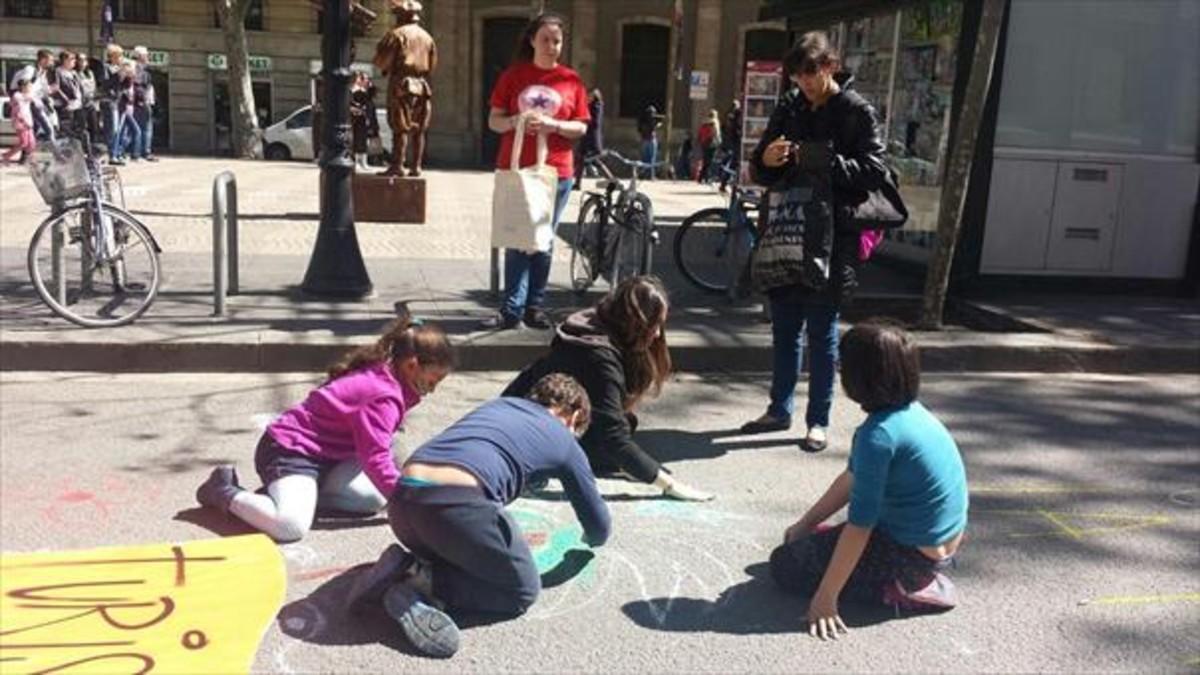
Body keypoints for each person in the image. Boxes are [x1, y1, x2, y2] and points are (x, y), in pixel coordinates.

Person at [346, 373, 610, 659]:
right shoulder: (564, 440)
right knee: (521, 590)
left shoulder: (499, 406)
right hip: (453, 508)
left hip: (403, 501)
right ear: (574, 415)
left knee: (468, 549)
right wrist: (590, 539)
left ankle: (409, 564)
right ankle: (417, 580)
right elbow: (598, 524)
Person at [768, 321, 968, 640]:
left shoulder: (879, 436)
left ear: (858, 377)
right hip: (939, 543)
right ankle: (910, 575)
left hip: (910, 556)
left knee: (784, 565)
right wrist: (805, 524)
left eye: (841, 365)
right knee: (801, 542)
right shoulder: (911, 413)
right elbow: (851, 478)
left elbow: (860, 526)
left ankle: (901, 588)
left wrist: (826, 597)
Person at [741, 31, 888, 453]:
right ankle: (778, 408)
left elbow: (873, 171)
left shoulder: (855, 110)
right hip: (788, 229)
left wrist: (819, 157)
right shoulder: (790, 105)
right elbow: (763, 164)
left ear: (829, 66)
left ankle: (818, 421)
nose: (803, 84)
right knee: (785, 327)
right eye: (797, 76)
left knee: (822, 332)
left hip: (833, 236)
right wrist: (765, 160)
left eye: (810, 74)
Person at [194, 315, 454, 543]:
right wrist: (409, 506)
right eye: (433, 380)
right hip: (289, 451)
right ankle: (223, 490)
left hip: (331, 456)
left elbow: (382, 449)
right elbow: (375, 458)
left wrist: (405, 492)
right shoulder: (382, 395)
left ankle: (296, 494)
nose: (432, 389)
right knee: (290, 526)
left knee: (370, 500)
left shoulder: (390, 374)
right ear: (412, 365)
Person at [502, 276, 713, 501]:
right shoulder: (599, 358)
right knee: (615, 439)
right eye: (654, 325)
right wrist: (669, 485)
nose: (659, 334)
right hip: (524, 434)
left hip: (521, 421)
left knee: (625, 424)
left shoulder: (595, 324)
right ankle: (543, 465)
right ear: (635, 323)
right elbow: (612, 435)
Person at [480, 13, 589, 331]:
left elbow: (580, 126)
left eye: (557, 41)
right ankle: (512, 308)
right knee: (517, 237)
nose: (552, 46)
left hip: (556, 172)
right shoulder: (513, 76)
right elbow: (494, 121)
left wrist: (553, 124)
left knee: (542, 240)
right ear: (532, 41)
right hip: (518, 170)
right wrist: (518, 121)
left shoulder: (572, 80)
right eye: (545, 39)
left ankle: (535, 306)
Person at [373, 0, 437, 177]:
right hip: (422, 87)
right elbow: (432, 65)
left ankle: (397, 166)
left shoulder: (396, 34)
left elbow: (381, 61)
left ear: (400, 16)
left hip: (401, 85)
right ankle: (416, 167)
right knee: (419, 129)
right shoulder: (427, 37)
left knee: (399, 127)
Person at [130, 46, 158, 161]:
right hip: (141, 102)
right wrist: (142, 100)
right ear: (140, 56)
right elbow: (138, 86)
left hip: (143, 101)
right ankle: (142, 152)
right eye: (146, 55)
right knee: (144, 127)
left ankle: (141, 151)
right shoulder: (137, 69)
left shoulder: (143, 69)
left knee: (143, 127)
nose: (147, 57)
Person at [573, 87, 604, 188]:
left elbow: (596, 123)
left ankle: (612, 179)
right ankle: (577, 183)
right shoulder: (589, 106)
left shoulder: (597, 106)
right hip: (586, 137)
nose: (588, 97)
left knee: (595, 160)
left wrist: (586, 120)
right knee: (580, 159)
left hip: (592, 137)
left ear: (594, 97)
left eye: (590, 96)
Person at [99, 44, 125, 163]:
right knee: (111, 129)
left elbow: (123, 85)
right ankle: (107, 154)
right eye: (119, 56)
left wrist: (126, 77)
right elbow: (104, 82)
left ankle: (115, 153)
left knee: (117, 129)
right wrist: (117, 75)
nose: (121, 58)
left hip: (117, 100)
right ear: (113, 56)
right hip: (108, 100)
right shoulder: (106, 67)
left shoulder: (119, 68)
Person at [1, 80, 36, 165]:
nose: (30, 88)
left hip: (28, 121)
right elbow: (18, 111)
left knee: (31, 143)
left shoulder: (25, 95)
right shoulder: (17, 96)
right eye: (28, 86)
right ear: (23, 87)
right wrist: (24, 121)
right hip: (21, 123)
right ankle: (6, 156)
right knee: (24, 143)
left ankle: (32, 160)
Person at [349, 71, 378, 171]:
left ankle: (364, 162)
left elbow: (374, 93)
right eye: (364, 79)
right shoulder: (355, 92)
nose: (367, 80)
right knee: (358, 140)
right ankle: (357, 162)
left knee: (365, 142)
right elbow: (352, 104)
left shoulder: (367, 92)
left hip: (366, 119)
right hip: (358, 120)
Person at [50, 51, 84, 135]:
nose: (74, 61)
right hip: (65, 105)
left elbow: (79, 87)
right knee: (66, 128)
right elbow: (56, 88)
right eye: (72, 59)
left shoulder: (73, 73)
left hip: (77, 105)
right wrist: (66, 101)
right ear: (65, 60)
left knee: (77, 127)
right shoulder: (57, 71)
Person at [75, 52, 101, 143]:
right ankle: (83, 147)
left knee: (94, 126)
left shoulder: (90, 73)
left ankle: (93, 148)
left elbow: (94, 87)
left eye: (84, 60)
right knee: (82, 128)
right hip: (81, 105)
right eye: (80, 60)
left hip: (91, 103)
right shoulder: (75, 73)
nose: (82, 62)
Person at [718, 99, 741, 192]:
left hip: (731, 142)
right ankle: (724, 183)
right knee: (733, 163)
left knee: (732, 162)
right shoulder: (734, 116)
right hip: (735, 143)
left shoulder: (728, 116)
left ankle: (724, 182)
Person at [636, 104, 664, 179]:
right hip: (651, 140)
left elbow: (639, 129)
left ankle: (643, 174)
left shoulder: (642, 120)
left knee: (644, 159)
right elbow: (653, 127)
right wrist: (659, 124)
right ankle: (651, 175)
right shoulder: (651, 119)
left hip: (644, 140)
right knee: (652, 159)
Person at [697, 108, 722, 183]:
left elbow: (700, 133)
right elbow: (715, 133)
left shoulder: (704, 123)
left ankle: (702, 177)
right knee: (709, 161)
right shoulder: (714, 122)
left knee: (706, 160)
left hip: (704, 143)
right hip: (711, 143)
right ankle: (705, 177)